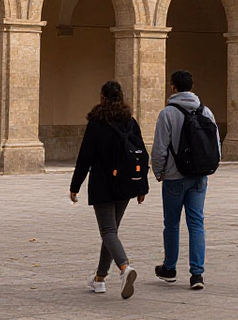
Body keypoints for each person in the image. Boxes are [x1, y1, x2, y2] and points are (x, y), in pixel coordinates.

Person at [69, 81, 149, 300]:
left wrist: (75, 186)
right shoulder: (130, 122)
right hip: (126, 184)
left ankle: (124, 268)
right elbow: (141, 154)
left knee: (108, 231)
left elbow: (85, 158)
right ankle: (99, 279)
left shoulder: (96, 124)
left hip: (104, 184)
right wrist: (142, 185)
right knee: (110, 231)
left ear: (102, 97)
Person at [151, 69, 220, 290]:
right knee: (196, 223)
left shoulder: (168, 113)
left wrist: (158, 170)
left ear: (173, 87)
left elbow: (160, 147)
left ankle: (169, 268)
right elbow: (216, 144)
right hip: (199, 176)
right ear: (192, 86)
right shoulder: (205, 111)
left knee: (171, 224)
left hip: (174, 176)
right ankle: (197, 274)